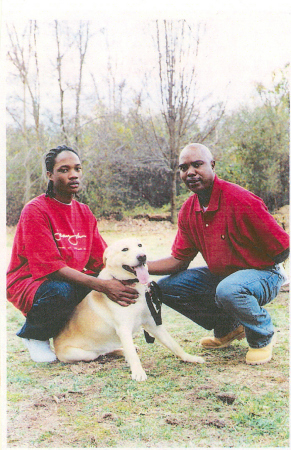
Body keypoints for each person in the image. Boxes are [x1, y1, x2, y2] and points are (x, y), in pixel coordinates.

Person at [147, 143, 289, 365]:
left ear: (212, 165)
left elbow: (283, 247)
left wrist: (262, 278)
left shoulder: (241, 200)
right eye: (184, 168)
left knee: (230, 289)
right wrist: (138, 268)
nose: (190, 172)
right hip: (225, 278)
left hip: (265, 273)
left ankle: (262, 337)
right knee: (167, 288)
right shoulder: (188, 210)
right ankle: (228, 328)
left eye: (197, 164)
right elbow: (178, 262)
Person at [7, 145, 139, 363]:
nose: (73, 175)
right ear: (50, 175)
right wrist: (102, 285)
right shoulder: (35, 210)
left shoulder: (84, 212)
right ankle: (34, 335)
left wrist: (128, 277)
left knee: (103, 283)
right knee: (63, 291)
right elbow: (52, 269)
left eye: (77, 168)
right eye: (64, 169)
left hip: (68, 280)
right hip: (33, 281)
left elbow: (102, 260)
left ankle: (92, 339)